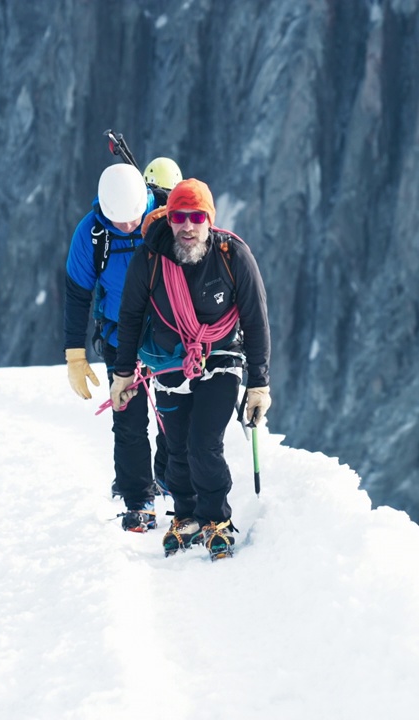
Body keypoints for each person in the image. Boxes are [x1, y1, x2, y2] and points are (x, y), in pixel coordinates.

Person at [109, 178, 271, 561]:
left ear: (209, 220)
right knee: (176, 445)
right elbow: (130, 316)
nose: (187, 226)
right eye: (180, 216)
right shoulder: (151, 257)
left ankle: (216, 517)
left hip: (221, 359)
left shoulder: (233, 256)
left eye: (196, 217)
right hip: (168, 360)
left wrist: (259, 384)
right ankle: (185, 514)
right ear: (170, 219)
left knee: (204, 443)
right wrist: (123, 372)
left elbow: (255, 319)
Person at [63, 161, 178, 532]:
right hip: (120, 340)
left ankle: (171, 481)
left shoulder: (164, 219)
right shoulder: (92, 234)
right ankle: (138, 499)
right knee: (128, 420)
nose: (129, 227)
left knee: (174, 415)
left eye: (133, 219)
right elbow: (78, 294)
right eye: (121, 222)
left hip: (167, 333)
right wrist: (74, 354)